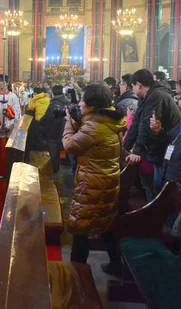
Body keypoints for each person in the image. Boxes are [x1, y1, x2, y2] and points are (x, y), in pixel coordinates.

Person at [62, 84, 126, 276]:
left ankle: (77, 275)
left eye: (83, 100)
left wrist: (68, 122)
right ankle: (116, 263)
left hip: (92, 183)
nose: (80, 104)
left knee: (80, 227)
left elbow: (70, 145)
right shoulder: (110, 120)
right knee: (105, 223)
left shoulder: (94, 126)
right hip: (106, 179)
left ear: (91, 106)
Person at [123, 69, 181, 201]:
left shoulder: (157, 95)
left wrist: (137, 151)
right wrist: (125, 148)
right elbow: (136, 124)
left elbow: (146, 126)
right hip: (157, 148)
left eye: (132, 86)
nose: (133, 90)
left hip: (164, 149)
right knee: (150, 187)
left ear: (138, 84)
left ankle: (157, 219)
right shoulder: (147, 96)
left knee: (157, 190)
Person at [41, 85, 69, 174]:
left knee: (53, 150)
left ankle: (54, 168)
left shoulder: (53, 104)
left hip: (54, 129)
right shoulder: (67, 102)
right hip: (66, 129)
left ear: (52, 93)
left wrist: (40, 122)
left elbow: (48, 117)